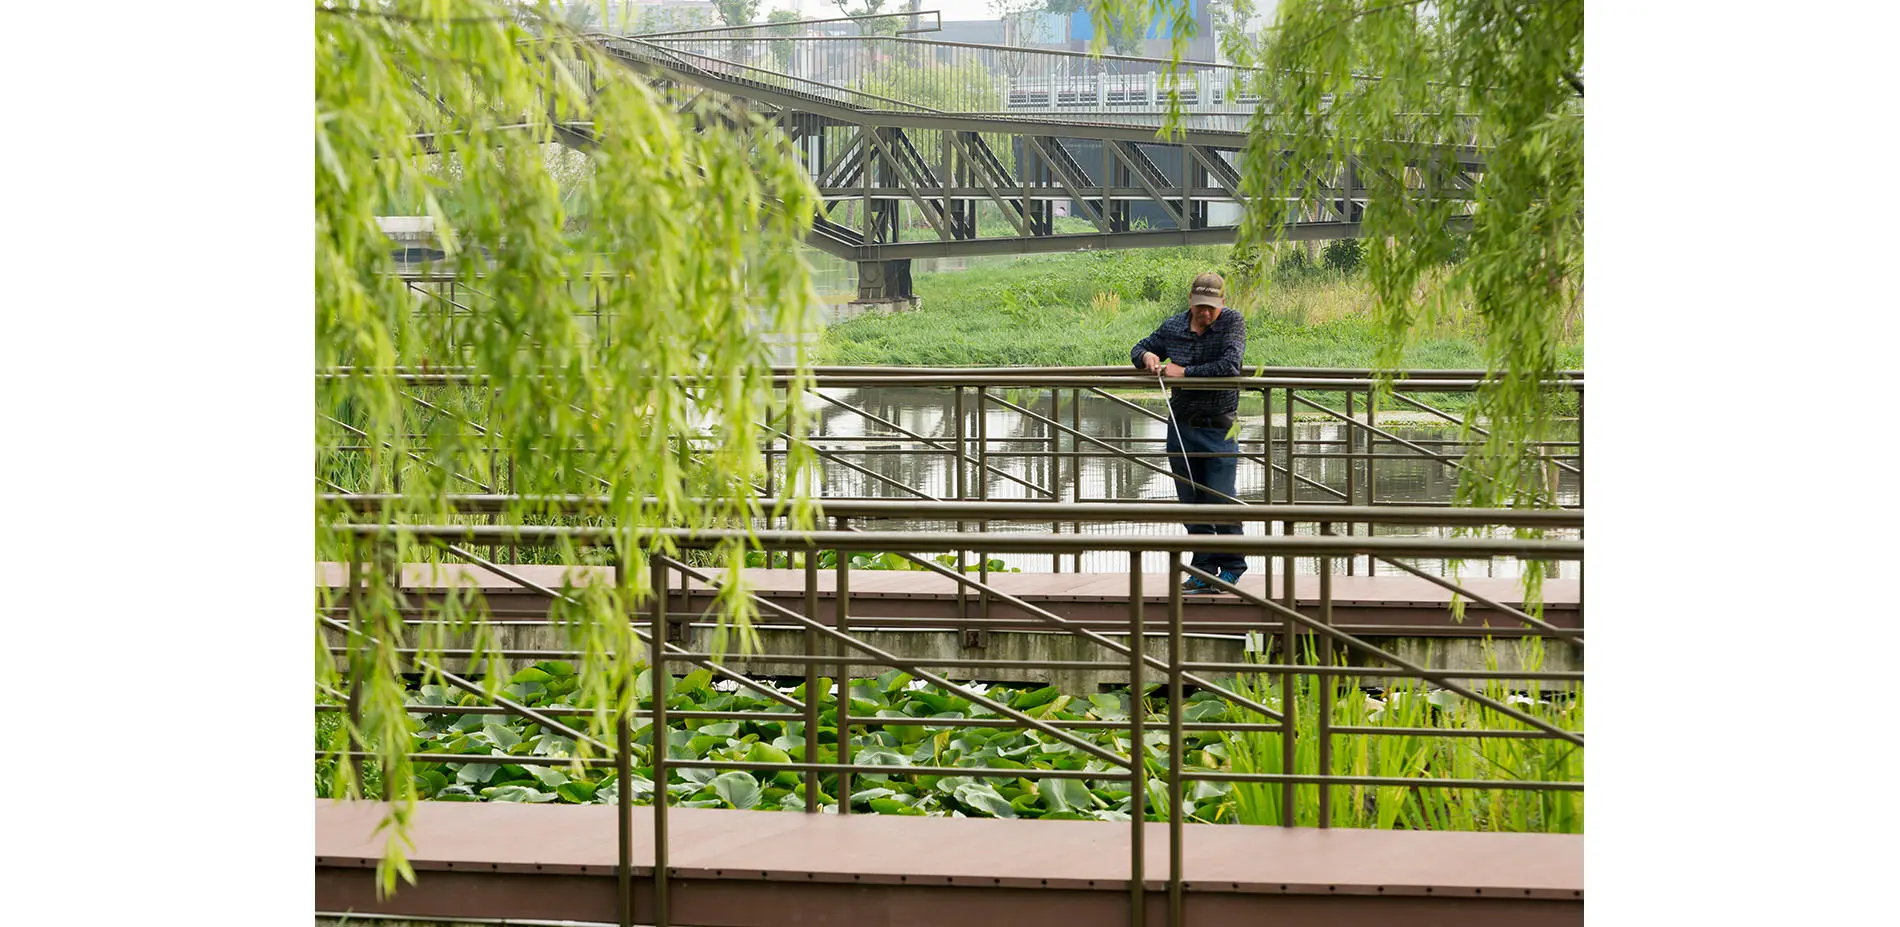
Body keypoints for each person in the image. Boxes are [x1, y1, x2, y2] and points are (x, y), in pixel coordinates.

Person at [1130, 272, 1248, 594]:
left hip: (1220, 427)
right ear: (1190, 302)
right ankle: (1203, 569)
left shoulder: (1233, 322)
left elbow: (1230, 365)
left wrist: (1184, 372)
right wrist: (1147, 356)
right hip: (1181, 426)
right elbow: (1139, 347)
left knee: (1220, 498)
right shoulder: (1173, 326)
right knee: (1191, 502)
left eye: (1211, 307)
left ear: (1222, 303)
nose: (1205, 312)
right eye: (1200, 306)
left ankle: (1233, 567)